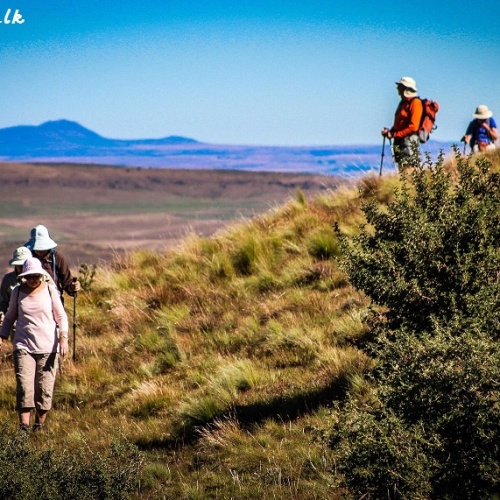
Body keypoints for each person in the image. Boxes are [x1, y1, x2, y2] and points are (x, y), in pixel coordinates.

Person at [0, 257, 69, 432]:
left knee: (44, 387)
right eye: (29, 276)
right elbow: (9, 317)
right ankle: (23, 426)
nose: (33, 280)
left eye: (36, 276)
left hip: (48, 346)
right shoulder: (17, 292)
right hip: (23, 345)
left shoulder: (51, 291)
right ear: (24, 276)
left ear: (42, 275)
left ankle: (40, 425)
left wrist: (63, 337)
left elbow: (61, 317)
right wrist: (2, 335)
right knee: (24, 385)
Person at [24, 225, 81, 300]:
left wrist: (72, 287)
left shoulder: (57, 258)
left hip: (53, 300)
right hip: (31, 299)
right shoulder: (27, 258)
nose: (39, 251)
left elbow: (66, 282)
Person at [381, 76, 423, 166]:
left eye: (400, 86)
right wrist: (391, 132)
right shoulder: (403, 103)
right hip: (401, 140)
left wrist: (394, 134)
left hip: (409, 141)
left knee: (408, 167)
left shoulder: (415, 103)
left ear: (405, 89)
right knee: (403, 167)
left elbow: (413, 127)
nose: (397, 88)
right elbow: (400, 123)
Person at [0, 247, 33, 318]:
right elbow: (3, 301)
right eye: (20, 266)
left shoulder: (39, 278)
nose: (22, 268)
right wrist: (2, 314)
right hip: (14, 322)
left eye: (24, 265)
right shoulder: (8, 279)